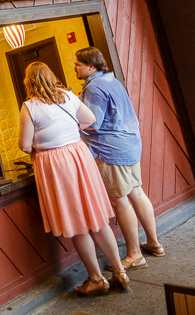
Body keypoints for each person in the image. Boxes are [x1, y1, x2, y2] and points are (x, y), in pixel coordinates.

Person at [18, 62, 128, 295]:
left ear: (29, 82)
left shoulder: (30, 107)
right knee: (97, 218)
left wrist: (44, 142)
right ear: (51, 76)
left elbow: (24, 145)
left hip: (56, 163)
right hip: (79, 155)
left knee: (78, 223)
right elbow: (90, 119)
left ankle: (97, 278)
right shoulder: (68, 95)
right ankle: (119, 271)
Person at [74, 47, 164, 273]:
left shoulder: (94, 88)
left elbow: (92, 123)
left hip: (111, 150)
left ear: (90, 66)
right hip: (130, 144)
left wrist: (72, 114)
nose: (74, 68)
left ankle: (135, 255)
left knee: (120, 200)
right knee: (137, 193)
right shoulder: (111, 80)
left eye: (77, 64)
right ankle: (153, 243)